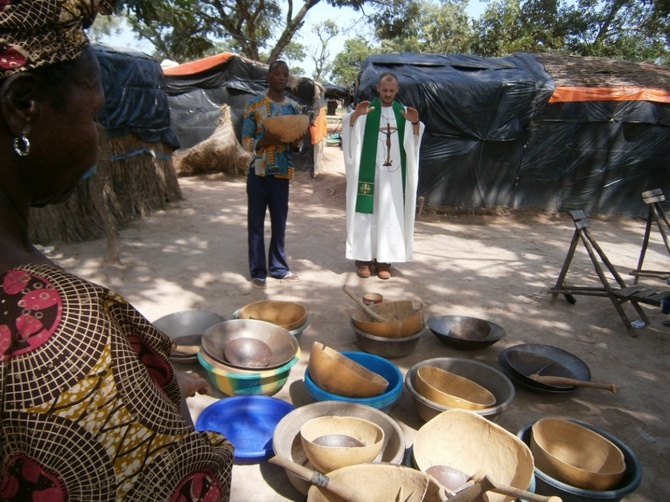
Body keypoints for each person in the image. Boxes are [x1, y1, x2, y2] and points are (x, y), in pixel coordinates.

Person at [0, 2, 234, 500]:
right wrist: (172, 415)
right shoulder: (59, 339)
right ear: (24, 106)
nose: (97, 137)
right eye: (95, 114)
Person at [342, 72, 424, 279]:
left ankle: (384, 261)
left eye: (392, 91)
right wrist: (355, 116)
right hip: (370, 174)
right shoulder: (367, 110)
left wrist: (414, 123)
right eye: (384, 90)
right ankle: (362, 260)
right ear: (378, 89)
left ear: (397, 91)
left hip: (393, 178)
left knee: (390, 215)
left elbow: (414, 141)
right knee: (366, 214)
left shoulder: (404, 112)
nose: (388, 94)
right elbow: (349, 130)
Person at [242, 60, 304, 289]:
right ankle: (258, 271)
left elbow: (297, 146)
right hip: (258, 172)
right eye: (277, 73)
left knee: (280, 223)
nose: (282, 77)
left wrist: (297, 142)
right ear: (268, 77)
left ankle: (278, 268)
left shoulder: (294, 109)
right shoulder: (253, 105)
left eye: (285, 74)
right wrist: (263, 141)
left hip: (281, 173)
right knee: (256, 223)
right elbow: (246, 141)